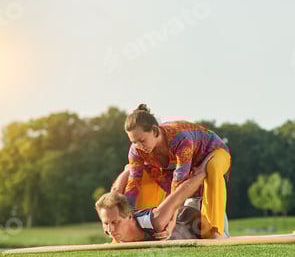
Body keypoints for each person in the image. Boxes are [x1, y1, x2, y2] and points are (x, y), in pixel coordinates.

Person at [117, 104, 231, 239]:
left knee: (212, 167)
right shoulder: (136, 150)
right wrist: (123, 219)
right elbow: (133, 184)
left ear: (155, 131)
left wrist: (171, 223)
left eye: (142, 140)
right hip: (178, 170)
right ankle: (136, 231)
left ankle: (216, 231)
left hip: (213, 153)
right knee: (138, 174)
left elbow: (178, 186)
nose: (139, 147)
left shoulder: (181, 139)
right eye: (134, 142)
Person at [96, 154, 213, 243]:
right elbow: (115, 192)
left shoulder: (155, 220)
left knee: (192, 203)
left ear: (130, 216)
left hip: (198, 216)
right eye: (105, 223)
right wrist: (129, 170)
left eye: (115, 222)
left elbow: (181, 192)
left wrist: (203, 171)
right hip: (182, 218)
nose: (110, 229)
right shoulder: (115, 228)